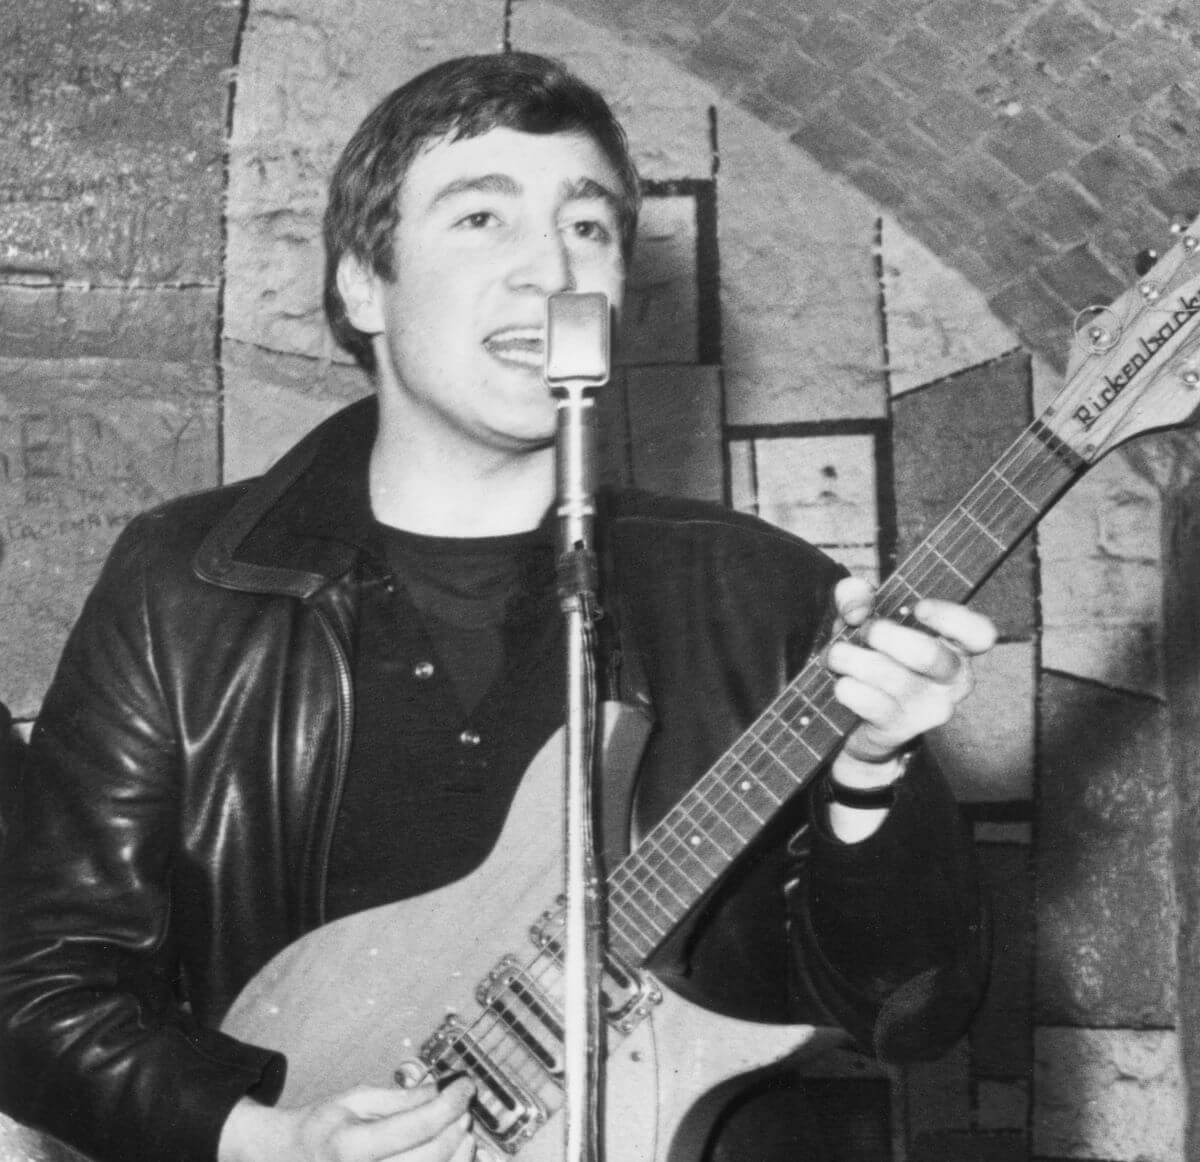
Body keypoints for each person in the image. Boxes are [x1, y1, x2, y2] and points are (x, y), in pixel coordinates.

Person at [0, 53, 994, 1162]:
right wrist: (262, 1138)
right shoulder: (185, 582)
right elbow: (39, 995)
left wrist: (870, 778)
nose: (550, 269)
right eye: (481, 218)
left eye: (589, 227)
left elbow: (915, 1007)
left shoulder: (759, 591)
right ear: (363, 287)